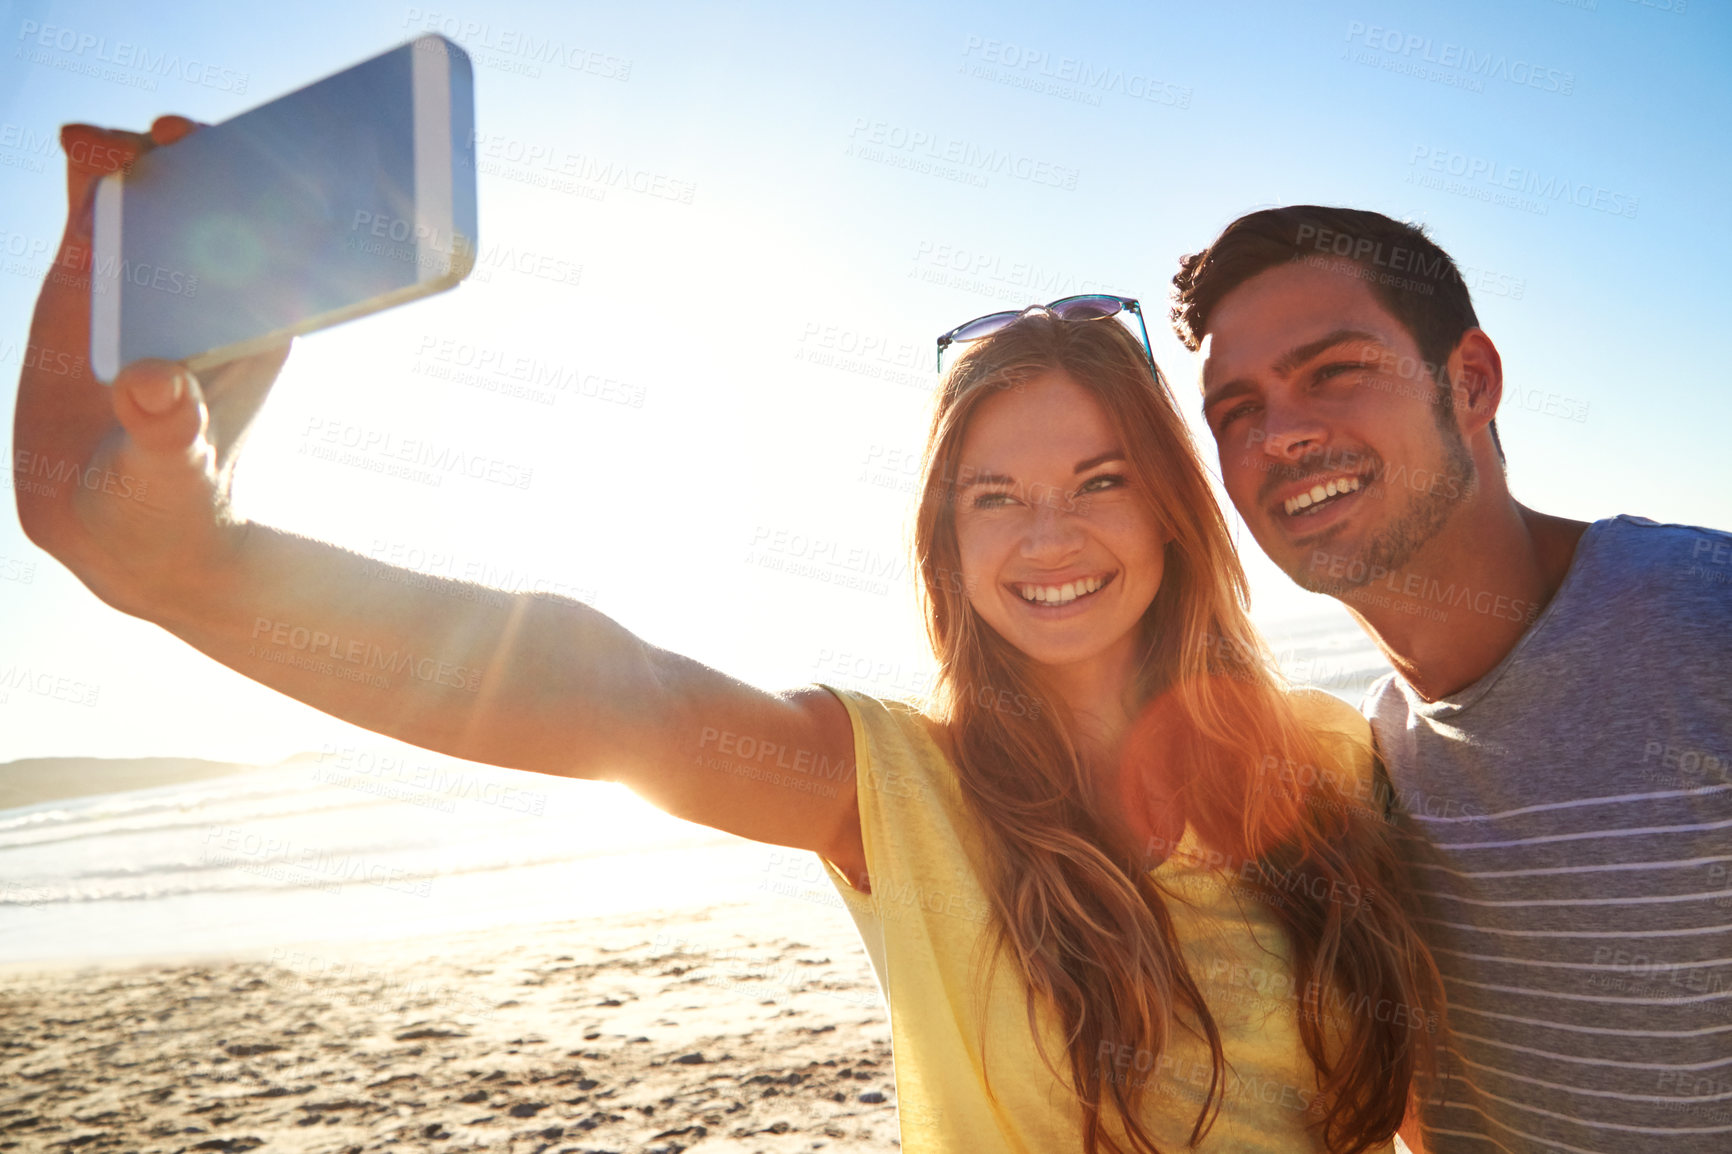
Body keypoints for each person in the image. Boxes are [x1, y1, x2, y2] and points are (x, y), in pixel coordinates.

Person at [15, 121, 1442, 1153]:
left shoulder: (1338, 757)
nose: (1046, 536)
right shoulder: (889, 786)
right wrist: (187, 567)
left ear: (1177, 508)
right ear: (944, 545)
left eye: (1100, 480)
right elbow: (597, 690)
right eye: (992, 497)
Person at [1169, 204, 1732, 1153]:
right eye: (1239, 412)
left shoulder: (1709, 622)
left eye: (1334, 372)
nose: (1282, 435)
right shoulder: (1362, 770)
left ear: (1470, 382)